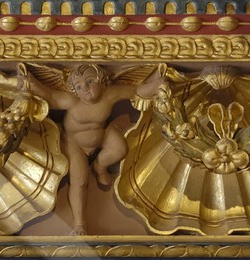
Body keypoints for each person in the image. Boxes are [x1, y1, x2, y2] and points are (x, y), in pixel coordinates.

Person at [25, 63, 162, 235]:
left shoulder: (110, 94)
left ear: (102, 81)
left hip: (102, 135)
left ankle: (99, 167)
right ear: (74, 90)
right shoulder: (72, 101)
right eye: (79, 86)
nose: (86, 89)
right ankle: (80, 224)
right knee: (80, 180)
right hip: (74, 143)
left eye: (90, 81)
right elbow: (50, 96)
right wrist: (31, 83)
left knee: (120, 150)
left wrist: (156, 85)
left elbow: (136, 90)